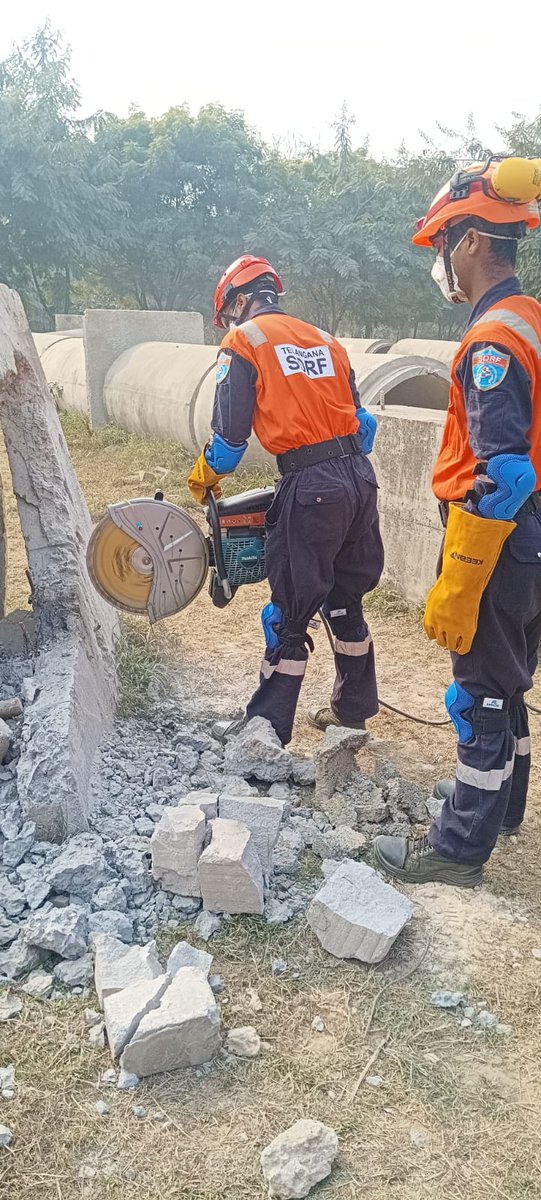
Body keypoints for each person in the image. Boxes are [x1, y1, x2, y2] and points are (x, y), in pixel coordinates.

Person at [374, 156, 541, 888]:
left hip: (499, 540)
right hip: (531, 539)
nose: (440, 261)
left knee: (477, 694)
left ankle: (457, 847)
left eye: (444, 242)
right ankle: (500, 808)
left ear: (471, 241)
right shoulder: (528, 317)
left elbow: (504, 474)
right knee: (509, 678)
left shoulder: (491, 341)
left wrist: (462, 576)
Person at [187, 254, 384, 747]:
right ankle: (352, 711)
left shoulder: (244, 342)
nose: (229, 321)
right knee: (344, 601)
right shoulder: (327, 341)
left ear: (237, 301)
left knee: (287, 615)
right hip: (360, 480)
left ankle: (267, 732)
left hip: (312, 486)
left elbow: (230, 444)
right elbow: (366, 427)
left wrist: (203, 475)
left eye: (228, 311)